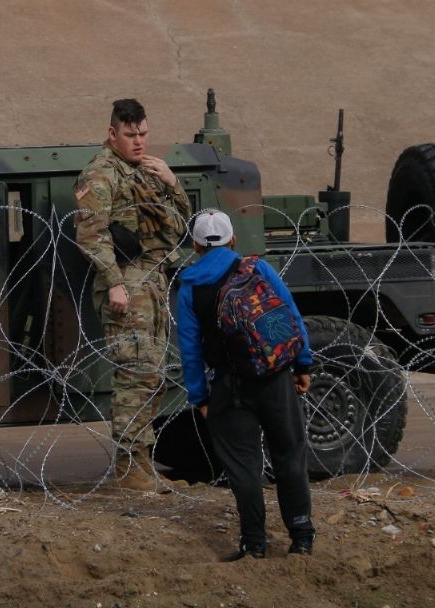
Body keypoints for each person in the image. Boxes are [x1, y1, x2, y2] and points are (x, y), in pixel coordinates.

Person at [176, 209, 316, 559]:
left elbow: (190, 349)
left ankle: (254, 544)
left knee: (244, 467)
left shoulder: (189, 287)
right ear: (233, 240)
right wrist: (302, 363)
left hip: (229, 385)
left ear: (195, 245)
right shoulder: (257, 268)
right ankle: (301, 537)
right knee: (290, 456)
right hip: (274, 378)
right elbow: (289, 315)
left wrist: (200, 397)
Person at [74, 98, 191, 492]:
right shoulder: (101, 173)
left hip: (152, 282)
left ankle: (141, 462)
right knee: (134, 375)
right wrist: (115, 283)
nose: (139, 142)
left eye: (143, 133)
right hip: (127, 282)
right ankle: (127, 467)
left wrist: (173, 182)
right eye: (130, 135)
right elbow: (92, 234)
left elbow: (177, 227)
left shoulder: (147, 171)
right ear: (112, 133)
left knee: (152, 376)